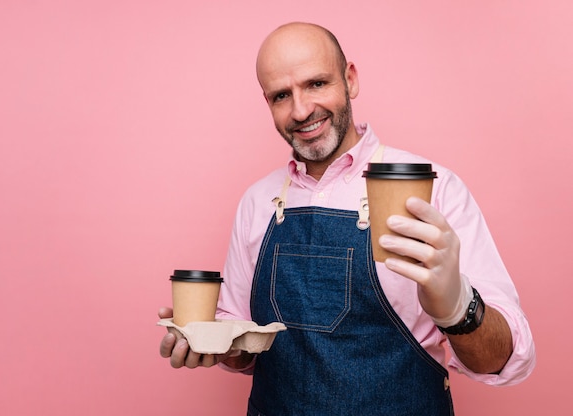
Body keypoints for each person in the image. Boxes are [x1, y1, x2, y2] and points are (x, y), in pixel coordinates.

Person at [159, 22, 535, 415]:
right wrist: (209, 345)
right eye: (281, 95)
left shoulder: (432, 189)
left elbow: (506, 361)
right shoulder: (257, 203)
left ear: (350, 79)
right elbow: (246, 352)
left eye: (317, 84)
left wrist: (458, 307)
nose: (301, 110)